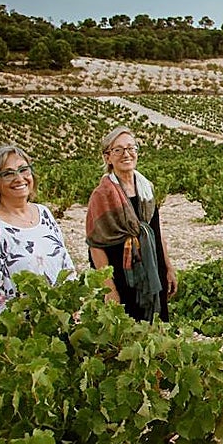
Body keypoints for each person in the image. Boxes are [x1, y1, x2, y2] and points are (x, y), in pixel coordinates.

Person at [0, 144, 75, 343]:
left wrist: (71, 310)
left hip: (58, 331)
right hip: (15, 338)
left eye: (24, 170)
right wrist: (23, 329)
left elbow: (66, 266)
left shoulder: (44, 214)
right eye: (8, 174)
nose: (19, 178)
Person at [85, 127, 177, 322]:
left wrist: (168, 268)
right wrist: (109, 289)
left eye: (130, 148)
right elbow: (95, 245)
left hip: (153, 269)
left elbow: (156, 231)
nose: (126, 154)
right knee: (126, 329)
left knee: (157, 326)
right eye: (118, 150)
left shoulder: (146, 189)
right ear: (108, 157)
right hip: (122, 276)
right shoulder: (102, 195)